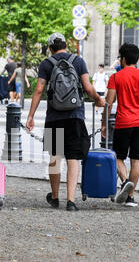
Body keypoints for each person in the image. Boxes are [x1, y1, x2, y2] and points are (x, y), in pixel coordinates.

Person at [25, 33, 105, 211]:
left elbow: (38, 90)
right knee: (73, 158)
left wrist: (30, 116)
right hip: (75, 116)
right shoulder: (78, 61)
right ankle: (71, 201)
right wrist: (98, 99)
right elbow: (87, 87)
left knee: (55, 157)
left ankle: (54, 197)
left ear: (50, 48)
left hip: (54, 117)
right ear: (66, 45)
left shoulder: (46, 64)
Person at [103, 43, 139, 207]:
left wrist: (104, 123)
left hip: (123, 122)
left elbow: (108, 103)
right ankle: (130, 197)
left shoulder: (116, 77)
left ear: (123, 59)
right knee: (136, 160)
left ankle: (125, 181)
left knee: (118, 157)